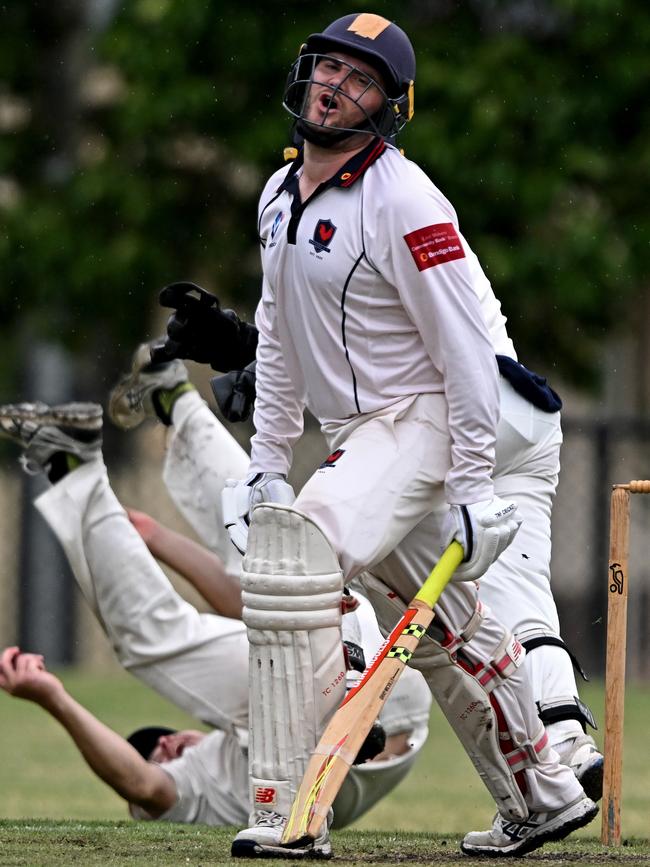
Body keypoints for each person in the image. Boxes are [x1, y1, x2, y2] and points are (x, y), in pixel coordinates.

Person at [150, 12, 599, 858]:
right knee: (448, 631)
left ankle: (292, 810)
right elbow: (279, 340)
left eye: (359, 79)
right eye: (326, 67)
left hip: (423, 418)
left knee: (296, 558)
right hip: (364, 431)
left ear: (389, 106)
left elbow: (466, 351)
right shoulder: (277, 198)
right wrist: (266, 466)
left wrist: (472, 483)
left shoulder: (407, 198)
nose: (333, 86)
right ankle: (542, 793)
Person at [0, 371, 431, 828]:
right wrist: (53, 699)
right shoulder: (211, 790)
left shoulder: (244, 721)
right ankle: (76, 463)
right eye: (155, 755)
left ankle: (176, 401)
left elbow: (242, 603)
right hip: (372, 687)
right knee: (156, 637)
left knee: (268, 557)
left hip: (361, 664)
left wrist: (154, 536)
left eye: (156, 738)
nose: (162, 746)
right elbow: (143, 786)